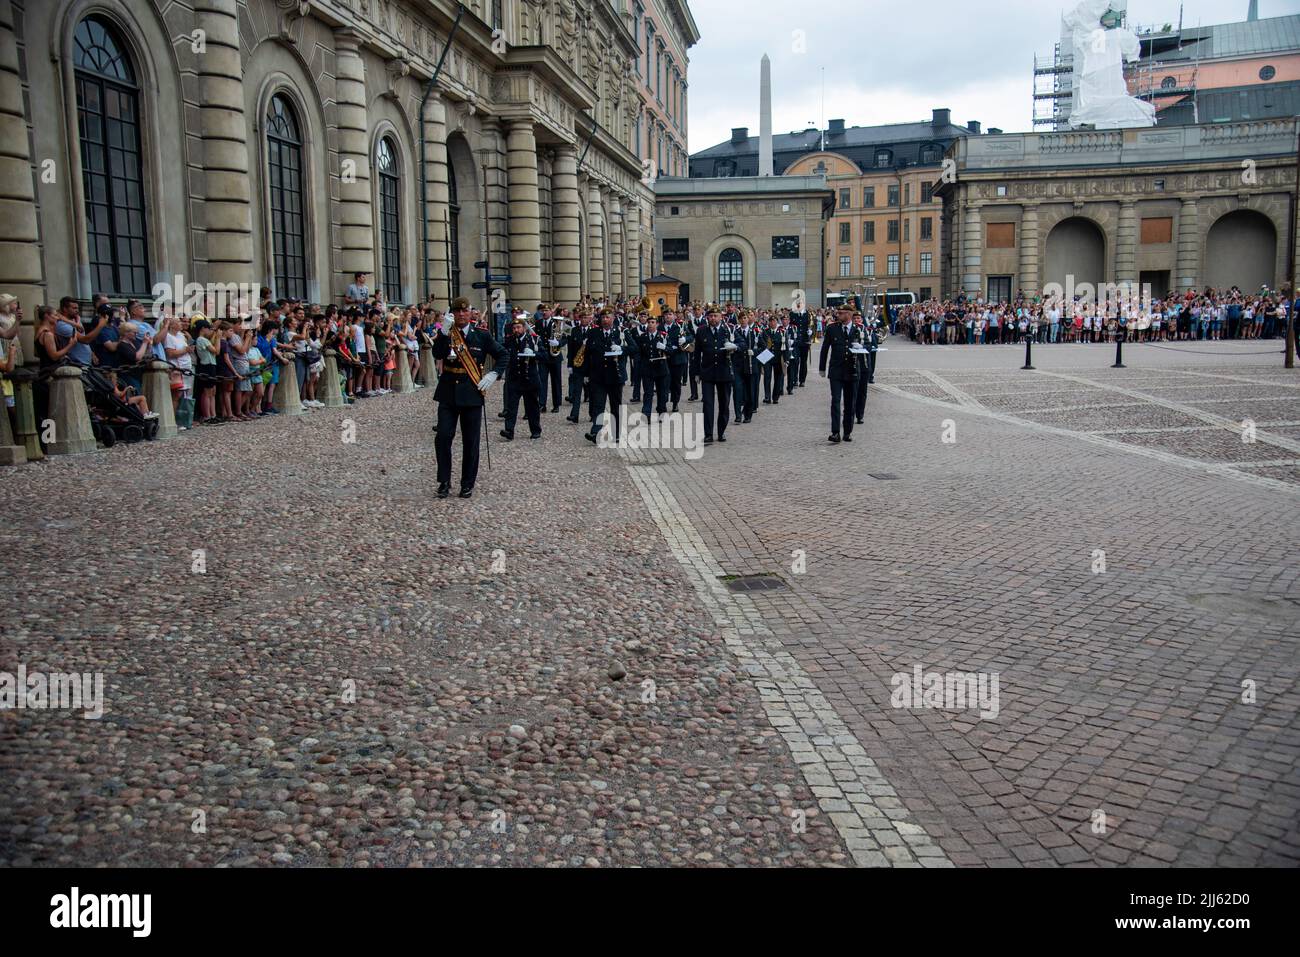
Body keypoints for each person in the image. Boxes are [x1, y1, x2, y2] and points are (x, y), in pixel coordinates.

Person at [431, 296, 503, 499]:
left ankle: (467, 482)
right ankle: (444, 481)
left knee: (471, 442)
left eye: (465, 311)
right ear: (452, 313)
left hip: (471, 392)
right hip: (447, 393)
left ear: (471, 312)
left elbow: (502, 354)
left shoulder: (481, 335)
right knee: (443, 437)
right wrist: (443, 333)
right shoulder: (447, 333)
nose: (461, 314)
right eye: (457, 311)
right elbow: (437, 353)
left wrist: (493, 373)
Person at [819, 305, 862, 443]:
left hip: (852, 371)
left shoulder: (859, 330)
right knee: (835, 401)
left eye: (841, 313)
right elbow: (825, 348)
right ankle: (835, 432)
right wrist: (822, 368)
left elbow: (870, 345)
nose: (838, 315)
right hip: (836, 371)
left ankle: (847, 432)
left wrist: (862, 346)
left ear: (849, 314)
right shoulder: (832, 329)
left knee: (850, 403)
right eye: (838, 312)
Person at [583, 309, 626, 445]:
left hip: (615, 376)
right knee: (598, 406)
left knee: (615, 406)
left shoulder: (621, 332)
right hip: (598, 376)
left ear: (613, 318)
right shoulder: (593, 333)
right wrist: (585, 374)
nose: (605, 320)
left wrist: (621, 349)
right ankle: (595, 432)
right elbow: (587, 354)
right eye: (603, 317)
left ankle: (616, 433)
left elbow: (634, 348)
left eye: (608, 317)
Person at [696, 306, 736, 444]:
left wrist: (735, 348)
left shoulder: (728, 330)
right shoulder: (701, 331)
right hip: (707, 372)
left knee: (724, 404)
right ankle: (708, 434)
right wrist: (696, 373)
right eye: (711, 316)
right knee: (707, 404)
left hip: (724, 372)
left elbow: (741, 343)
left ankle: (721, 431)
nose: (713, 318)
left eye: (716, 316)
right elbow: (696, 354)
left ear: (721, 317)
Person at [500, 315, 542, 441]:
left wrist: (534, 354)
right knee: (511, 406)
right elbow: (504, 353)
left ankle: (535, 430)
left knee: (532, 407)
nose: (516, 330)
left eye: (518, 327)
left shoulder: (533, 340)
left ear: (524, 328)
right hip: (515, 379)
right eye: (514, 328)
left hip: (529, 379)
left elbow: (544, 355)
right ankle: (509, 430)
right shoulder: (510, 340)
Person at [634, 314, 671, 417]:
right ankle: (646, 414)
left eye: (652, 322)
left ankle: (661, 411)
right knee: (648, 393)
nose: (650, 325)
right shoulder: (642, 337)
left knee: (662, 393)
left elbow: (671, 351)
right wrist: (639, 366)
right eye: (648, 323)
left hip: (661, 368)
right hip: (647, 369)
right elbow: (639, 353)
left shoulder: (663, 335)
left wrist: (665, 348)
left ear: (657, 324)